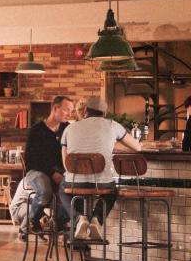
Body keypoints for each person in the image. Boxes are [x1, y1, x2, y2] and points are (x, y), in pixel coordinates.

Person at [58, 95, 141, 240]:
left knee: (62, 189)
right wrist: (111, 145)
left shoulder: (70, 128)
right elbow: (137, 147)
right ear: (104, 113)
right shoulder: (112, 125)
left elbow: (66, 163)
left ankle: (79, 219)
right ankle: (96, 219)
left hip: (74, 182)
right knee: (111, 191)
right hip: (102, 182)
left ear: (85, 111)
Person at [10, 95, 74, 238]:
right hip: (36, 171)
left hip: (59, 172)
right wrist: (52, 173)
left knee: (72, 194)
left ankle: (56, 223)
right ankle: (32, 222)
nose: (70, 114)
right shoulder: (36, 130)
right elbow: (32, 160)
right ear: (55, 108)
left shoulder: (68, 129)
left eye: (71, 111)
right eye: (67, 110)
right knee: (45, 192)